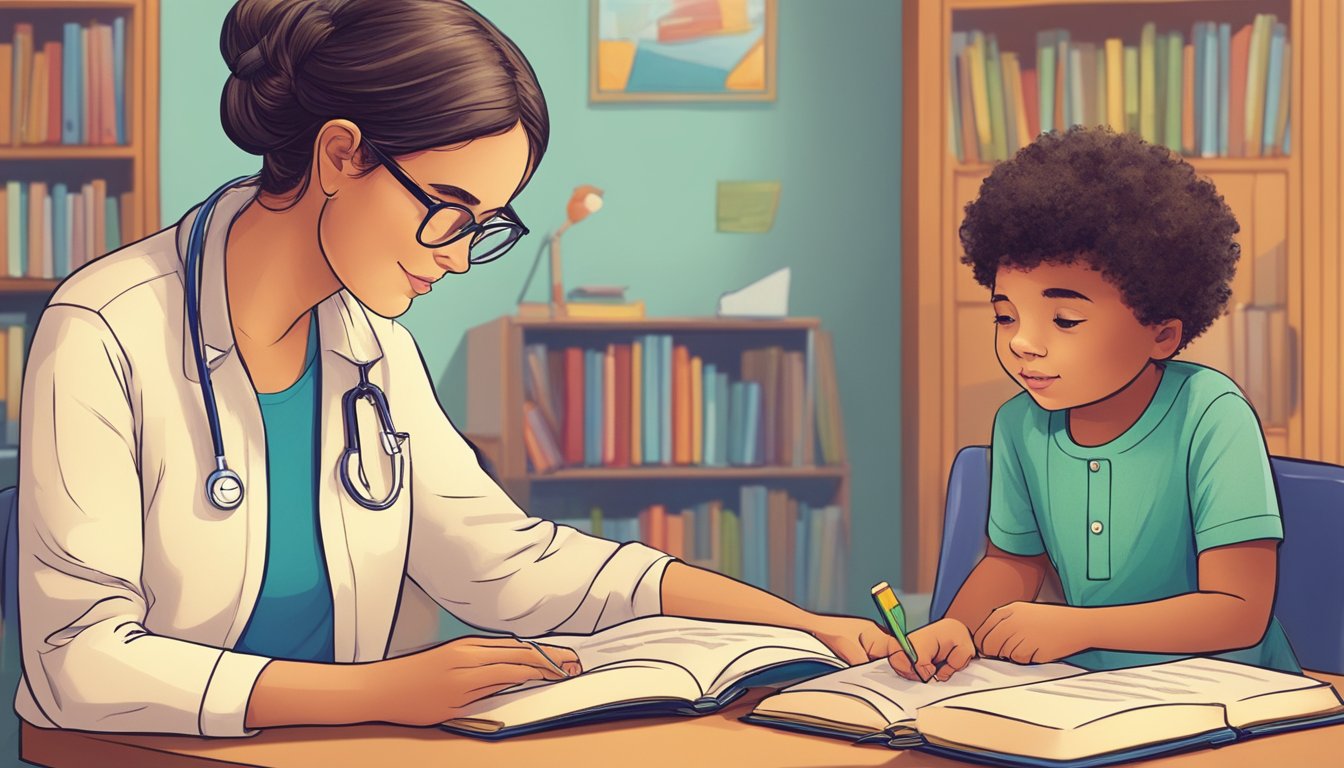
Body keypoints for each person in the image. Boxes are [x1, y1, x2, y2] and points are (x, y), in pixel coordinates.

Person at [14, 0, 936, 738]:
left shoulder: (376, 353)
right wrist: (378, 693)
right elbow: (79, 664)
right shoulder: (105, 329)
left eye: (485, 224)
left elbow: (509, 564)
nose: (458, 256)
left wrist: (793, 624)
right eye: (450, 210)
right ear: (342, 153)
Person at [903, 125, 1301, 677]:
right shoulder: (1019, 423)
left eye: (1065, 320)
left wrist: (1080, 627)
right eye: (1005, 316)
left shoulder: (1210, 412)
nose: (1021, 342)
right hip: (1085, 688)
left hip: (1226, 692)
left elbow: (1239, 614)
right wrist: (956, 626)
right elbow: (1014, 564)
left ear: (1161, 334)